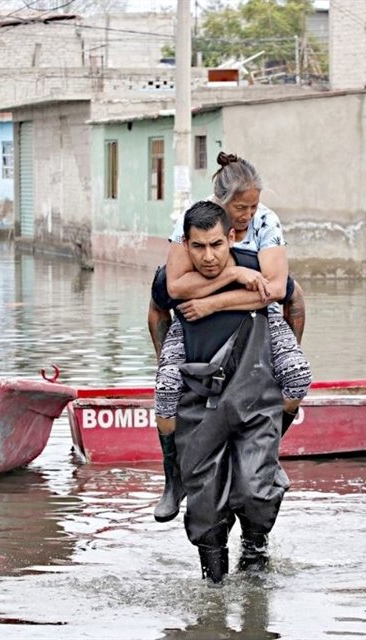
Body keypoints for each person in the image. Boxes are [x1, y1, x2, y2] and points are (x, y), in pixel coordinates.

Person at [153, 201, 308, 583]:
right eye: (198, 247)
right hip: (200, 393)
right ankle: (173, 478)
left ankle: (255, 553)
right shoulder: (173, 279)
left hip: (254, 386)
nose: (208, 256)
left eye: (216, 246)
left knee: (256, 491)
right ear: (185, 245)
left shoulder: (257, 268)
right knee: (204, 500)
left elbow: (293, 299)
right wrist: (166, 363)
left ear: (233, 238)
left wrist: (282, 349)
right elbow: (157, 311)